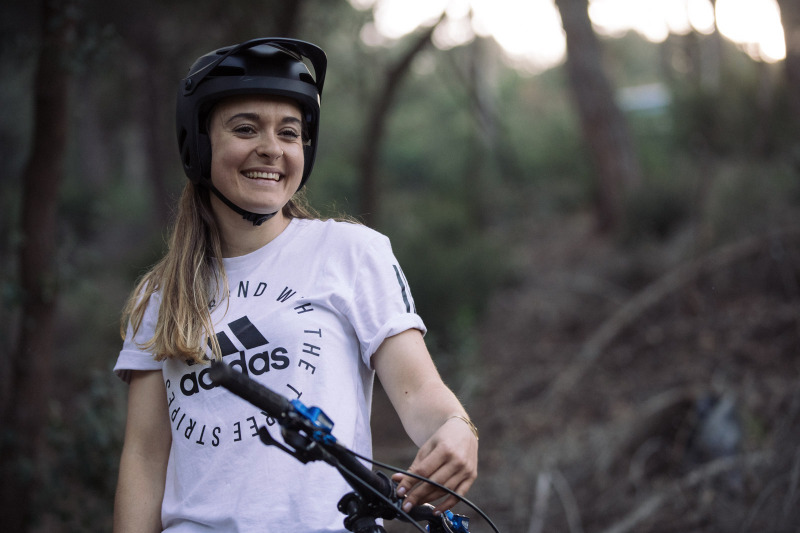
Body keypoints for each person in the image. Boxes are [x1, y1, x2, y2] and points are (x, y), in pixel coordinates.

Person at [113, 38, 478, 533]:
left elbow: (421, 394)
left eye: (289, 132)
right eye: (245, 128)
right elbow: (144, 457)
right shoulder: (159, 294)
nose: (271, 148)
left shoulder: (350, 252)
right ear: (198, 144)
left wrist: (457, 429)